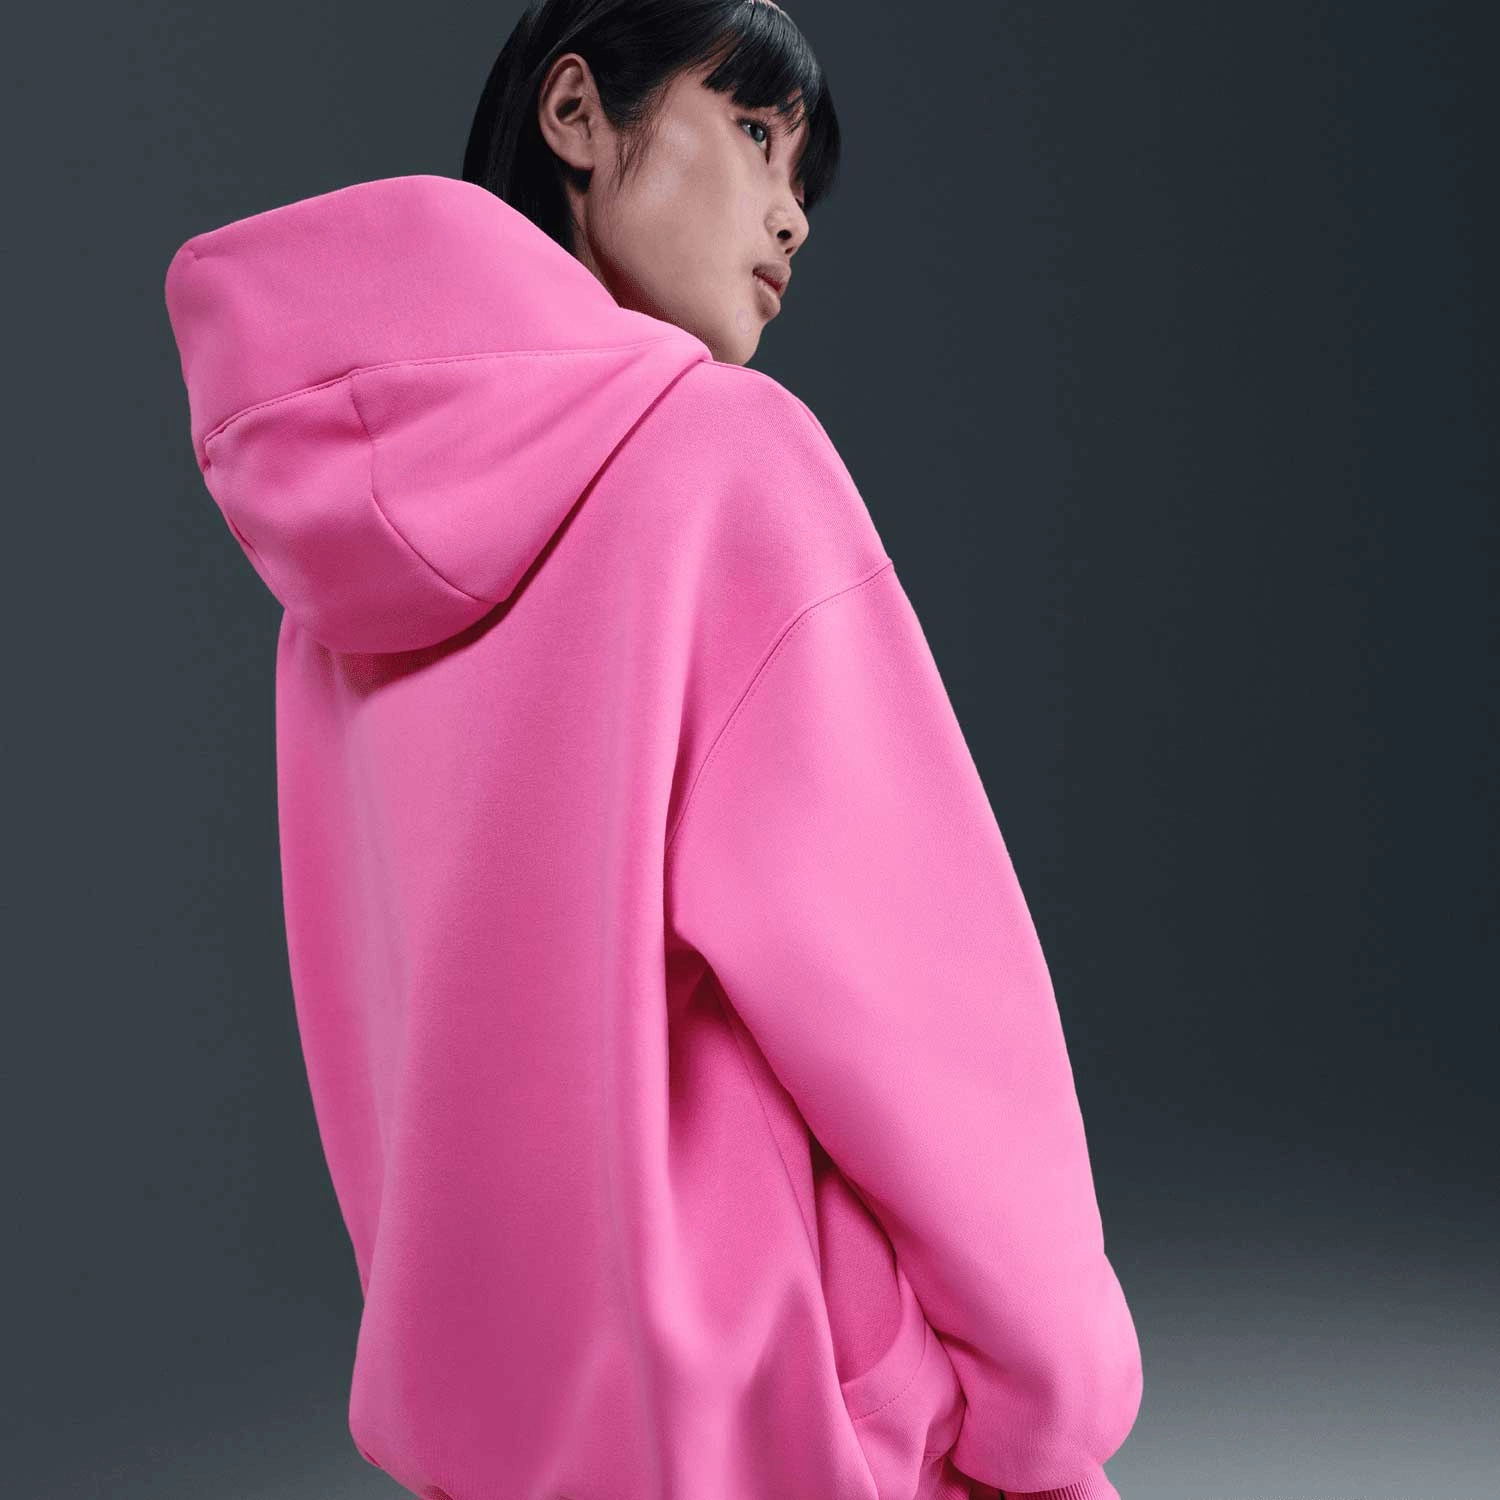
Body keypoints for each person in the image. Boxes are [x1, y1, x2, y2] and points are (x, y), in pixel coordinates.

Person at [162, 3, 1143, 1498]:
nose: (790, 215)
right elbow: (924, 1009)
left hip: (505, 1442)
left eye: (803, 174)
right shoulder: (727, 458)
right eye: (752, 132)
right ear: (575, 114)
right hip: (796, 1423)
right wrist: (1049, 1394)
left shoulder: (329, 606)